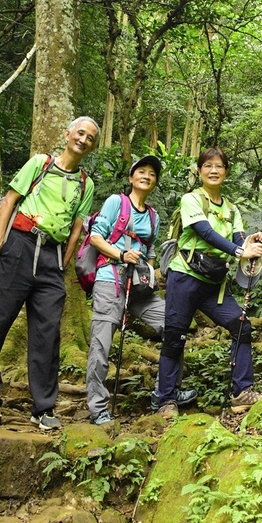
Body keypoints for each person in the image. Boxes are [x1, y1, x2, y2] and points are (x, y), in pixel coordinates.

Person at [0, 117, 98, 430]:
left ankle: (43, 408)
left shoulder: (86, 183)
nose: (83, 140)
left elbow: (76, 229)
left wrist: (63, 264)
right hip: (19, 247)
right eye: (80, 133)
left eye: (90, 138)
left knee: (47, 335)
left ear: (93, 146)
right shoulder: (40, 164)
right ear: (68, 134)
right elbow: (10, 202)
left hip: (52, 260)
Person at [155, 148, 262, 418]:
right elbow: (203, 232)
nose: (214, 170)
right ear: (200, 170)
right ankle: (166, 400)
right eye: (208, 166)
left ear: (226, 171)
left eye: (219, 166)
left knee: (241, 325)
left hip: (214, 284)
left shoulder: (231, 208)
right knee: (174, 336)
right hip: (184, 276)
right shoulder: (191, 199)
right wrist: (240, 252)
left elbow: (240, 238)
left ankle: (242, 391)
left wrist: (252, 243)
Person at [85, 155, 197, 425]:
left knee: (174, 325)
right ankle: (98, 407)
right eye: (141, 171)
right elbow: (96, 236)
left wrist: (149, 271)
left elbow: (149, 252)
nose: (147, 176)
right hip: (110, 280)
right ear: (131, 177)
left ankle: (166, 391)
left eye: (152, 174)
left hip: (139, 287)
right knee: (101, 343)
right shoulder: (116, 202)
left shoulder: (154, 216)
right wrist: (121, 255)